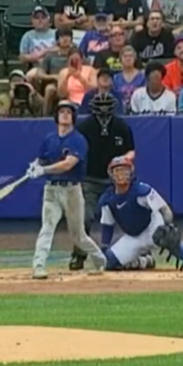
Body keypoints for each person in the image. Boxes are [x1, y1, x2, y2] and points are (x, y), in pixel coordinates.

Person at [26, 101, 107, 279]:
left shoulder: (78, 140)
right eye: (61, 112)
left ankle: (100, 259)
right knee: (47, 227)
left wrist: (44, 170)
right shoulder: (49, 139)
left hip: (71, 190)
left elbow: (68, 164)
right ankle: (38, 266)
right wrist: (34, 166)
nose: (64, 115)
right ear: (56, 116)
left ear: (73, 117)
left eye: (68, 112)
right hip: (51, 190)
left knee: (78, 235)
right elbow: (42, 158)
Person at [99, 156, 183, 272]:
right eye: (117, 171)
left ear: (131, 172)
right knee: (108, 262)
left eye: (125, 170)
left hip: (152, 228)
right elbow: (107, 226)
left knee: (168, 235)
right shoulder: (107, 200)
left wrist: (168, 224)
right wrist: (104, 248)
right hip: (133, 236)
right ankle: (144, 261)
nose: (121, 174)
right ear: (111, 175)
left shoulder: (142, 190)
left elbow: (164, 209)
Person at [69, 93, 136, 271]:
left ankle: (139, 252)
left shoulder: (121, 126)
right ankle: (79, 254)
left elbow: (131, 151)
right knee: (85, 218)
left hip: (116, 181)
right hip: (90, 180)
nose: (105, 112)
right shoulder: (85, 127)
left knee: (130, 216)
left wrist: (121, 161)